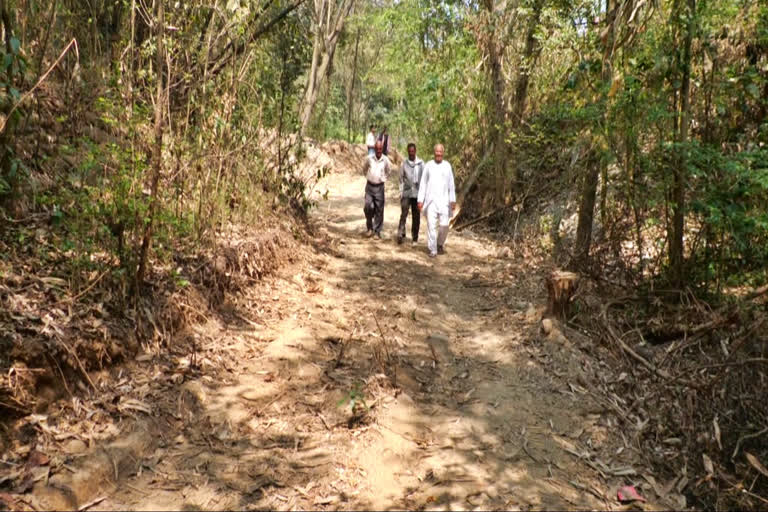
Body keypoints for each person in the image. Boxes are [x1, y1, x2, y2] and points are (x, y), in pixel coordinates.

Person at [417, 144, 456, 258]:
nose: (438, 154)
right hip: (431, 201)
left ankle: (439, 244)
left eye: (440, 152)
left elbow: (451, 185)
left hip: (444, 201)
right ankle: (433, 249)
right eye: (437, 152)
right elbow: (423, 183)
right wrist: (420, 200)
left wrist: (452, 200)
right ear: (434, 152)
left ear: (443, 153)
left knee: (444, 225)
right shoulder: (428, 165)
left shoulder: (447, 166)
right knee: (431, 225)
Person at [361, 140, 392, 239]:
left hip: (379, 187)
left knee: (379, 209)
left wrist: (383, 179)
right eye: (377, 148)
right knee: (368, 207)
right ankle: (369, 228)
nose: (379, 150)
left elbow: (389, 171)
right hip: (369, 186)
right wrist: (368, 176)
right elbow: (364, 169)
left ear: (382, 149)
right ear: (374, 149)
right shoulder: (369, 158)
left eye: (380, 148)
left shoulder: (386, 160)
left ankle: (377, 232)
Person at [397, 143, 424, 245]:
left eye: (413, 151)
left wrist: (423, 194)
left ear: (415, 151)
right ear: (407, 152)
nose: (411, 153)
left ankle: (415, 238)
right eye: (409, 151)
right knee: (404, 213)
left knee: (416, 216)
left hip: (417, 194)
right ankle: (400, 233)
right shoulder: (404, 164)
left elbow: (424, 180)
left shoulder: (421, 164)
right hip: (406, 193)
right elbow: (400, 179)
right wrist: (401, 191)